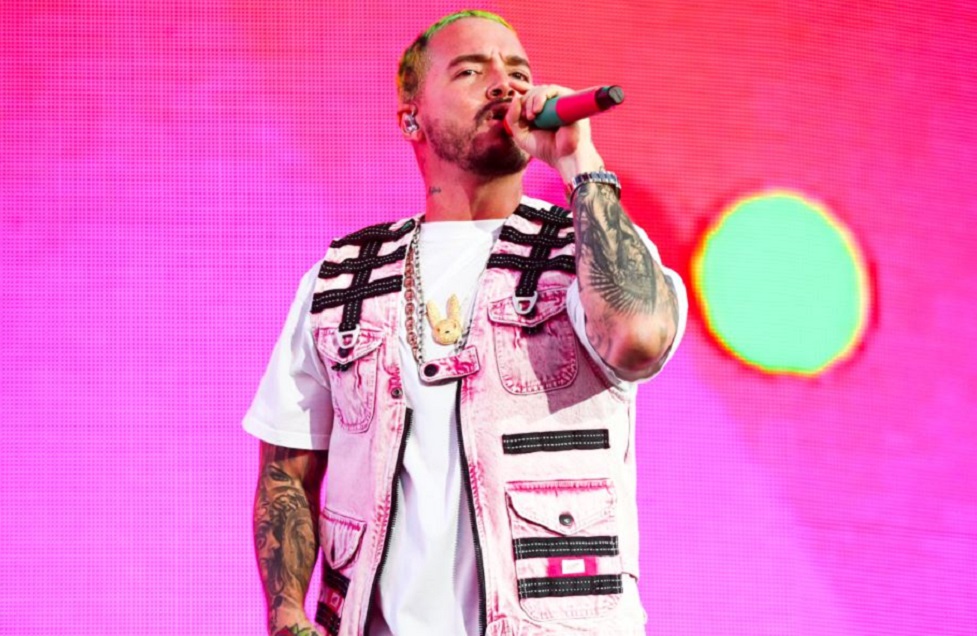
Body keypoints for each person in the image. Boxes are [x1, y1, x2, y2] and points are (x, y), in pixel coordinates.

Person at [244, 10, 687, 636]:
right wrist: (288, 612)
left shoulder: (584, 251)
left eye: (519, 72)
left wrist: (579, 163)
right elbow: (286, 470)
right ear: (411, 118)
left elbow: (637, 339)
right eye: (471, 71)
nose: (505, 84)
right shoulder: (344, 275)